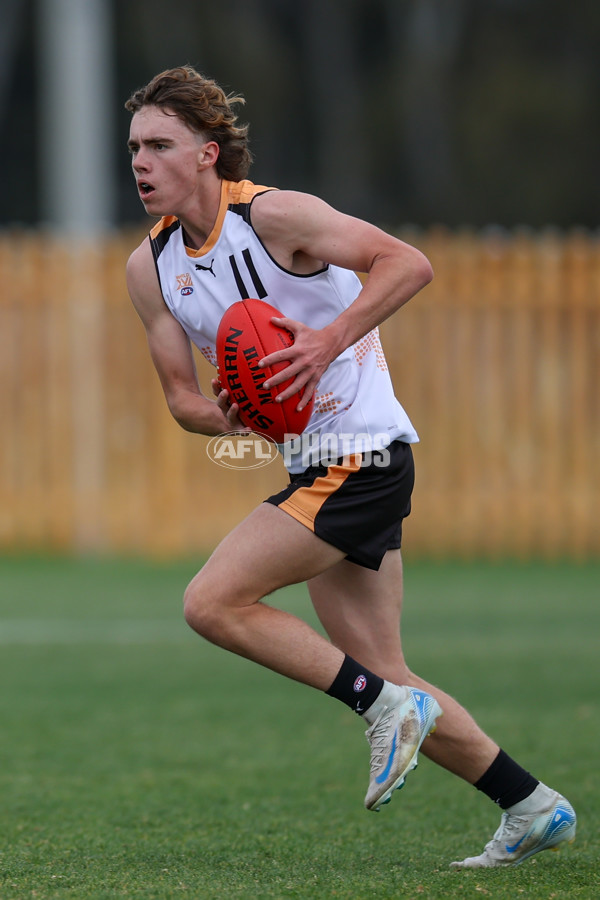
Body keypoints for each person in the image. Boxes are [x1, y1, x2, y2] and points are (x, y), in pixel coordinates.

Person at [124, 66, 576, 867]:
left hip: (363, 458)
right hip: (316, 464)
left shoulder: (275, 217)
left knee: (212, 603)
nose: (141, 162)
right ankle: (530, 806)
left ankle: (380, 708)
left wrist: (329, 340)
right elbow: (181, 401)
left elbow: (407, 263)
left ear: (208, 153)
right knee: (384, 668)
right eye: (134, 147)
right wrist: (233, 409)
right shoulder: (151, 268)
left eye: (160, 145)